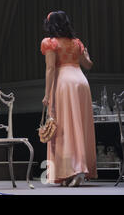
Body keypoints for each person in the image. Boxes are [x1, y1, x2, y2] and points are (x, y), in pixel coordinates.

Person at [40, 11, 97, 187]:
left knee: (65, 128)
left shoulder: (50, 43)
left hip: (64, 82)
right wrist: (86, 55)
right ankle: (76, 171)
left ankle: (74, 169)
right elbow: (88, 65)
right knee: (79, 125)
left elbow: (50, 69)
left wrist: (47, 94)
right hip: (81, 82)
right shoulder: (76, 43)